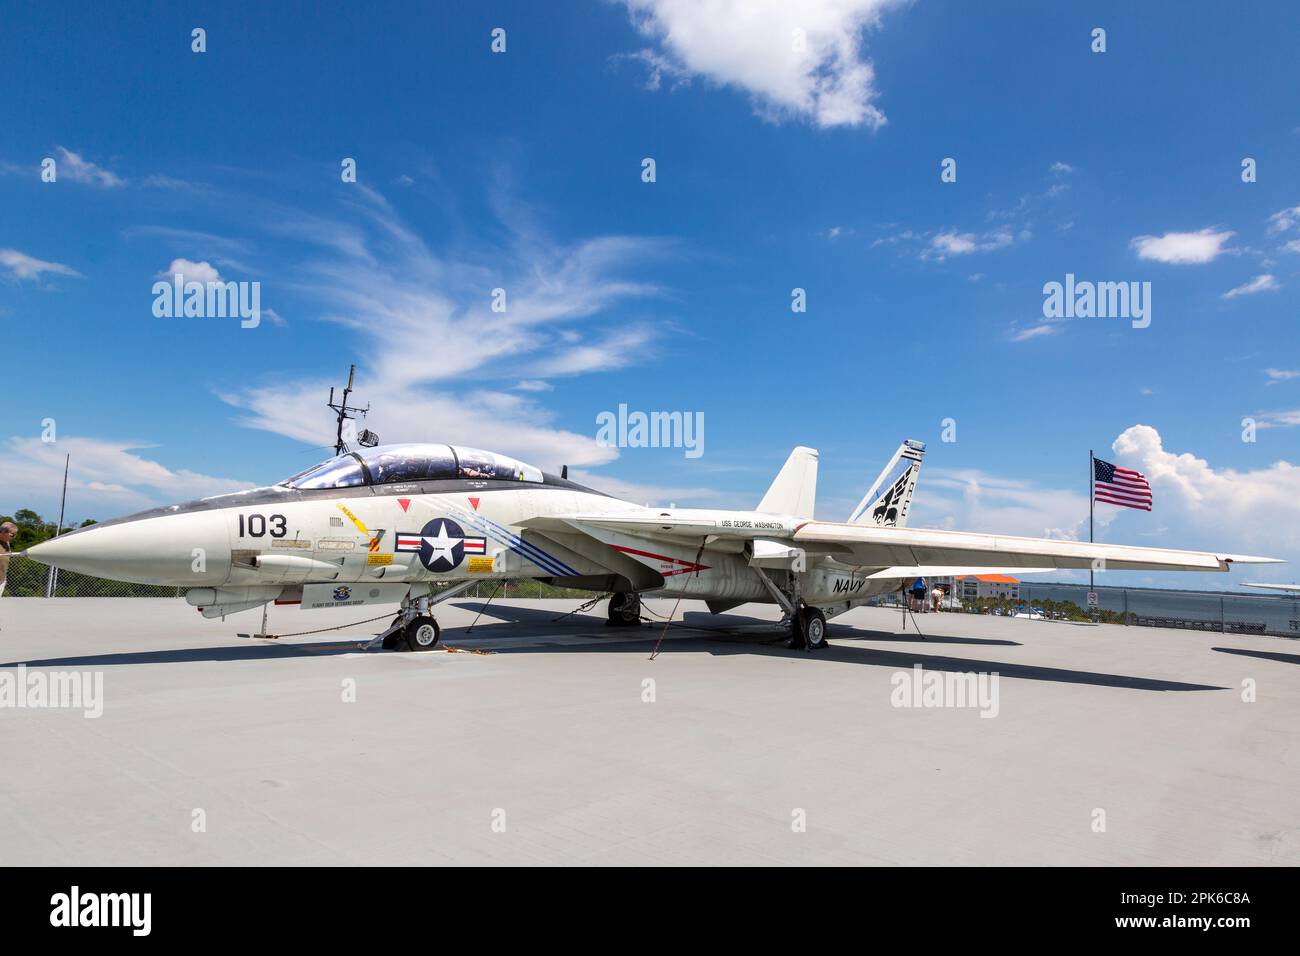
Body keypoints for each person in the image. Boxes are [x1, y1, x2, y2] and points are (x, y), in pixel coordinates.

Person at [0, 521, 16, 597]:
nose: (14, 537)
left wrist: (4, 579)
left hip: (2, 578)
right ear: (3, 532)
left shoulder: (7, 543)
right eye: (12, 534)